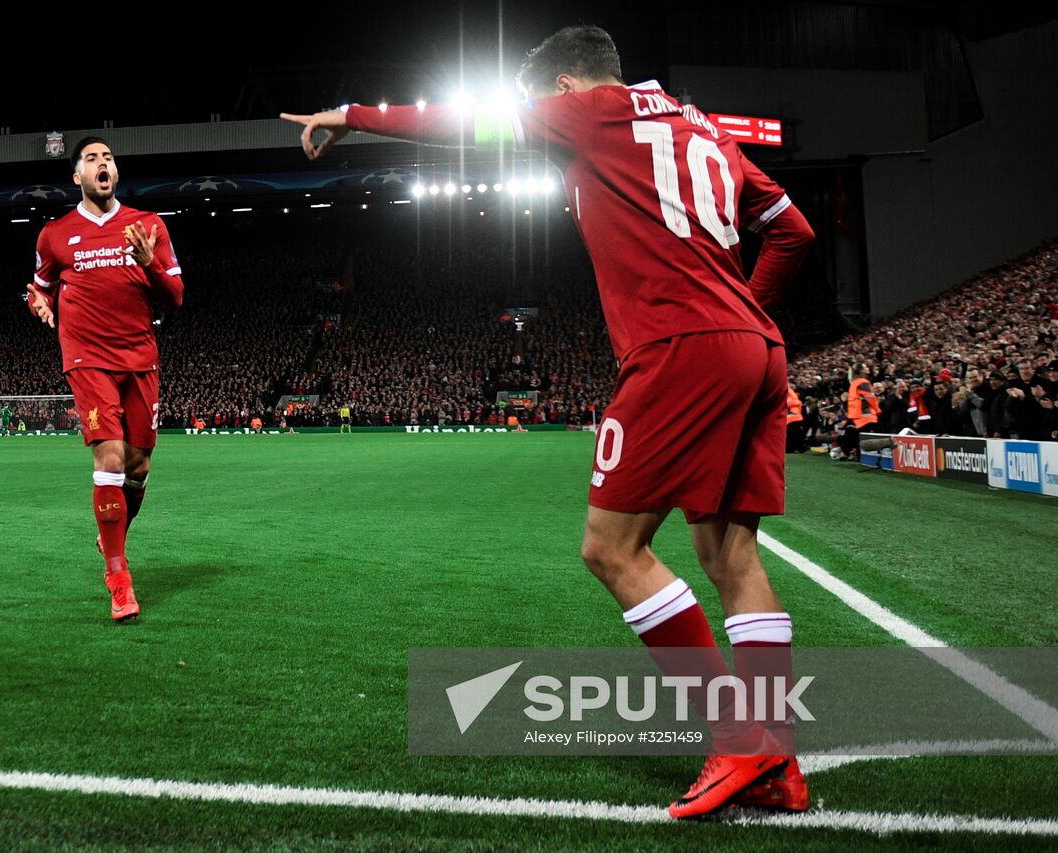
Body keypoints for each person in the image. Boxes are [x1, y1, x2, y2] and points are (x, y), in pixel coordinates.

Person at [282, 23, 815, 818]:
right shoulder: (698, 123)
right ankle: (779, 761)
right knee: (730, 553)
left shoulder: (591, 112)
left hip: (681, 347)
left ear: (566, 87)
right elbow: (794, 230)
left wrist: (351, 114)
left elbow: (466, 124)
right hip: (755, 348)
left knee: (611, 548)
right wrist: (743, 311)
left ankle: (740, 739)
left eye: (540, 100)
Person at [27, 136, 185, 622]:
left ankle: (110, 534)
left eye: (109, 158)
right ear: (76, 175)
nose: (103, 164)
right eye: (93, 159)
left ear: (116, 173)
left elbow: (175, 295)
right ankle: (119, 578)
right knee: (110, 457)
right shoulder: (54, 234)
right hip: (87, 358)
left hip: (140, 357)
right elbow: (40, 284)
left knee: (137, 468)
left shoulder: (148, 225)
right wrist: (37, 301)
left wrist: (148, 264)